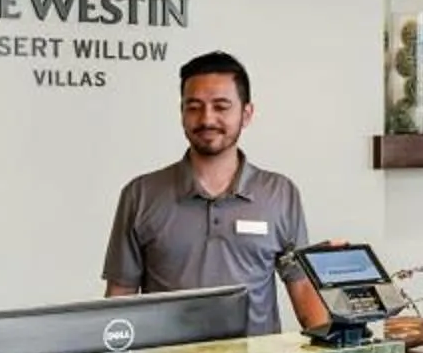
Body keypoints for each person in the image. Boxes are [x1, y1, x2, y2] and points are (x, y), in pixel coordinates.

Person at [100, 51, 308, 335]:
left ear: (246, 114)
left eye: (221, 107)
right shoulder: (141, 195)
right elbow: (119, 298)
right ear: (182, 112)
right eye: (194, 107)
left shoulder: (279, 194)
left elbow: (303, 288)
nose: (207, 119)